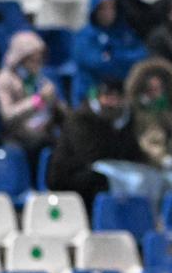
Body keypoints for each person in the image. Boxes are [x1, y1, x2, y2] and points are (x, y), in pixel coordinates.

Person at [46, 78, 140, 206]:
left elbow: (132, 153)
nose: (112, 102)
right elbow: (90, 155)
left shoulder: (126, 120)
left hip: (105, 170)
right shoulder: (80, 118)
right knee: (101, 180)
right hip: (69, 175)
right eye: (108, 97)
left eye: (117, 98)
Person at [0, 31, 65, 161]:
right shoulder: (2, 81)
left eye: (39, 59)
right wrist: (37, 101)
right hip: (13, 139)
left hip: (42, 136)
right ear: (19, 58)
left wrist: (56, 104)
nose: (37, 63)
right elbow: (6, 116)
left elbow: (59, 111)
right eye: (31, 59)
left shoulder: (42, 81)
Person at [72, 0, 148, 105]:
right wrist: (123, 62)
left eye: (112, 7)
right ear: (94, 10)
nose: (108, 12)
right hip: (90, 94)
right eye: (103, 8)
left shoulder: (125, 33)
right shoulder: (84, 36)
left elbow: (141, 56)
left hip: (123, 93)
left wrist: (114, 56)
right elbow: (97, 64)